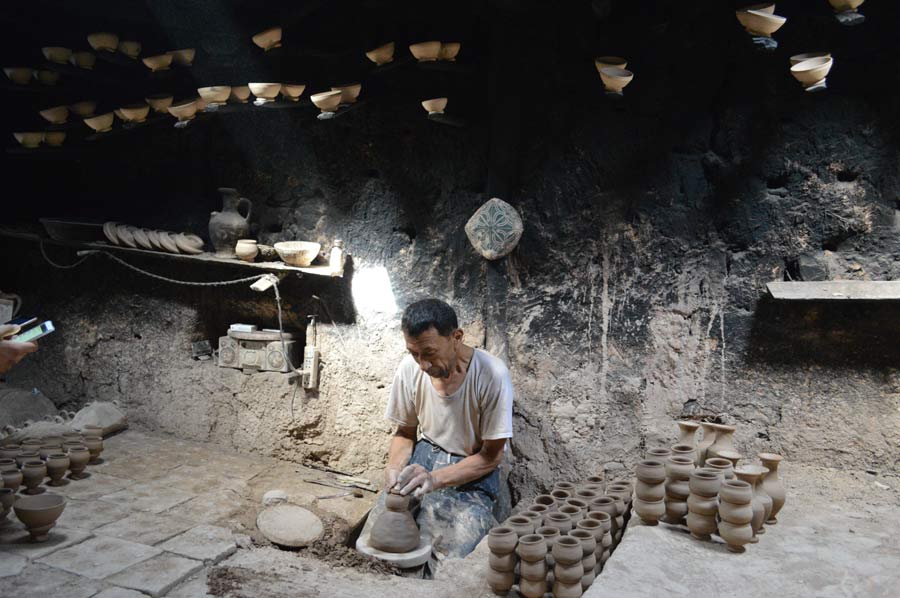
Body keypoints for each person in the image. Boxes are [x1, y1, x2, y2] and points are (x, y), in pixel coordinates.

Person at [360, 298, 514, 561]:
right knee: (375, 538)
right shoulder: (409, 369)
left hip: (473, 468)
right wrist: (394, 467)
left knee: (445, 556)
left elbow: (491, 457)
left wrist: (435, 480)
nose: (422, 364)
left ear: (456, 337)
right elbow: (405, 433)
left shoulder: (492, 374)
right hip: (425, 456)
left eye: (429, 353)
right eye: (414, 353)